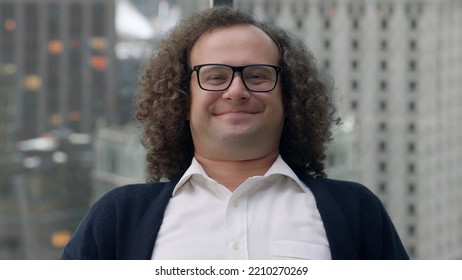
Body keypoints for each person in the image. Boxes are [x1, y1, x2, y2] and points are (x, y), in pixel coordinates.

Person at [61, 6, 408, 260]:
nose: (236, 91)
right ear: (182, 98)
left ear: (288, 97)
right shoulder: (118, 218)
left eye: (257, 75)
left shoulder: (357, 212)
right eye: (215, 77)